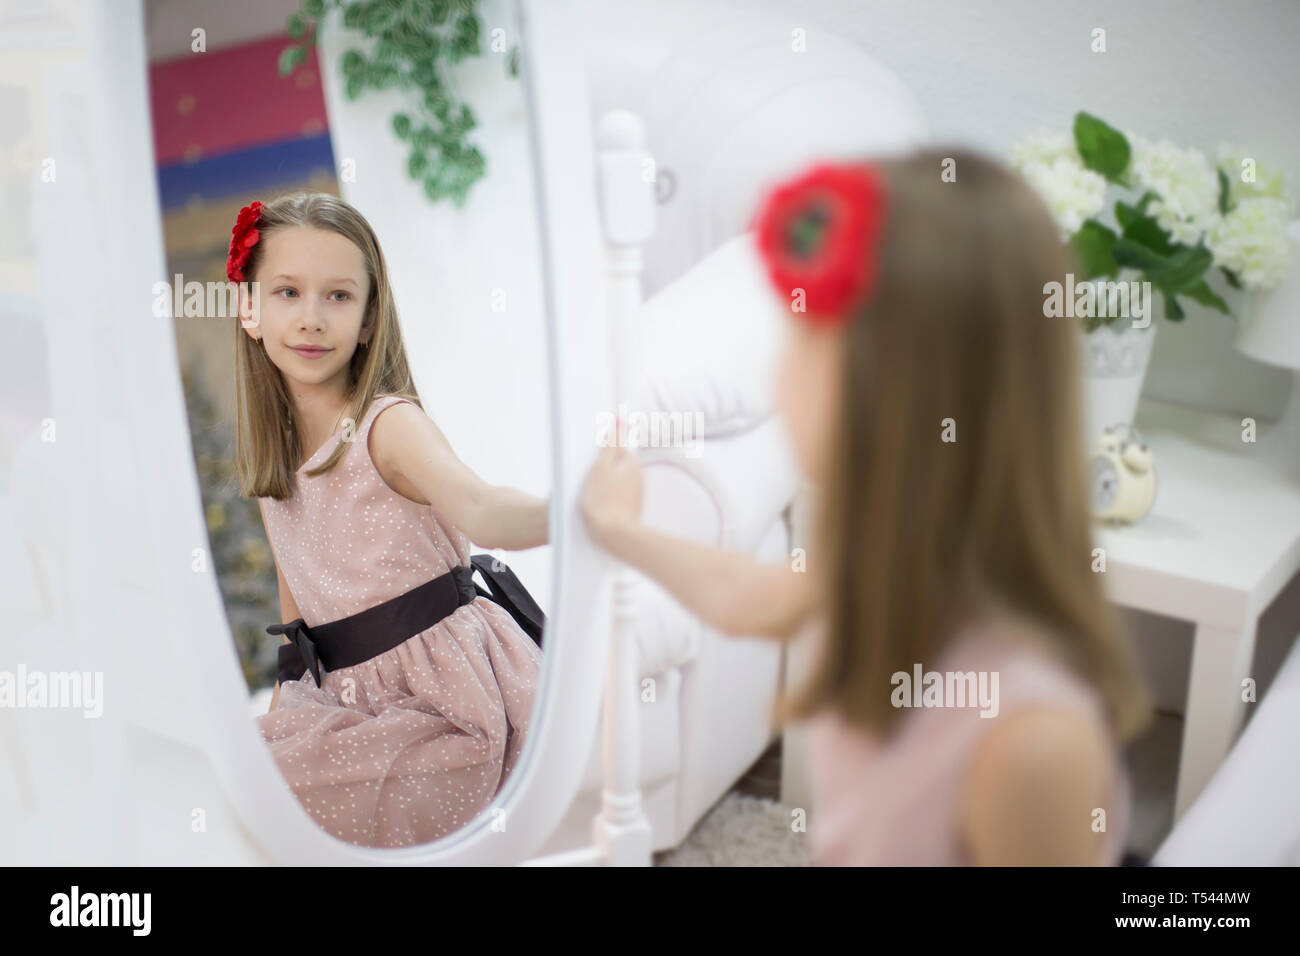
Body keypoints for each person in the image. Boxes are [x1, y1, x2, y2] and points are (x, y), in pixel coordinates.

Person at [580, 151, 1153, 865]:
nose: (780, 372)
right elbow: (748, 596)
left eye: (804, 342)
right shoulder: (889, 572)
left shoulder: (1029, 743)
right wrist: (621, 531)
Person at [229, 193, 546, 848]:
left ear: (370, 318)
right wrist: (290, 720)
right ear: (250, 311)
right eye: (287, 292)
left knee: (283, 803)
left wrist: (571, 514)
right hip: (350, 700)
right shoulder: (275, 467)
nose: (311, 318)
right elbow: (298, 632)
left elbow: (482, 506)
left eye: (338, 296)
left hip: (450, 705)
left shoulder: (388, 427)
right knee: (239, 778)